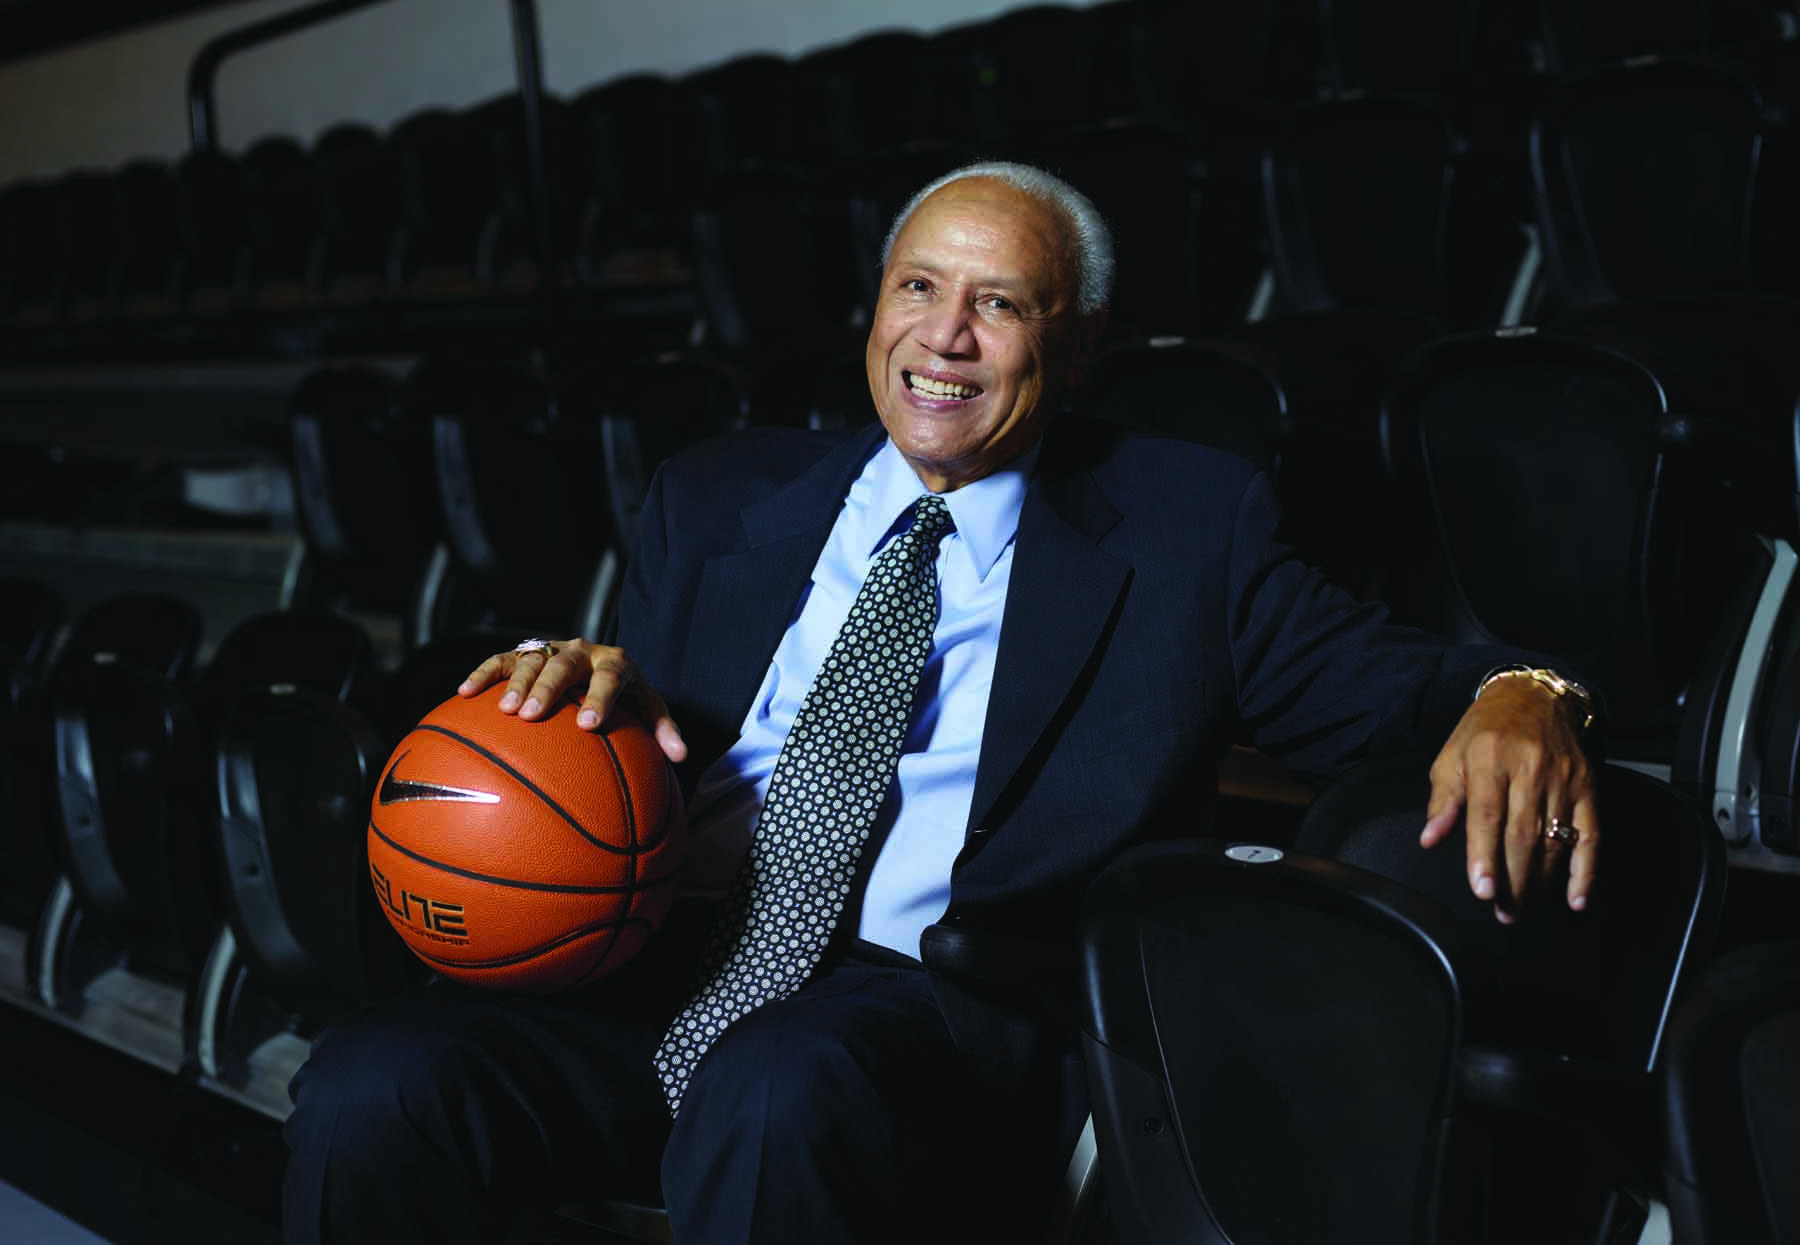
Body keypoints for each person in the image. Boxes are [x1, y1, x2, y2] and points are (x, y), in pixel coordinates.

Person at [283, 162, 1599, 1244]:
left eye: (1002, 304)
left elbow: (1408, 694)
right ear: (875, 307)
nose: (945, 337)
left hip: (930, 1018)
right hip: (659, 972)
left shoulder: (1190, 530)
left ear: (1075, 349)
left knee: (774, 1086)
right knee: (372, 1082)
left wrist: (1523, 691)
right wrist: (588, 701)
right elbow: (633, 757)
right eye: (919, 287)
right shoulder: (716, 494)